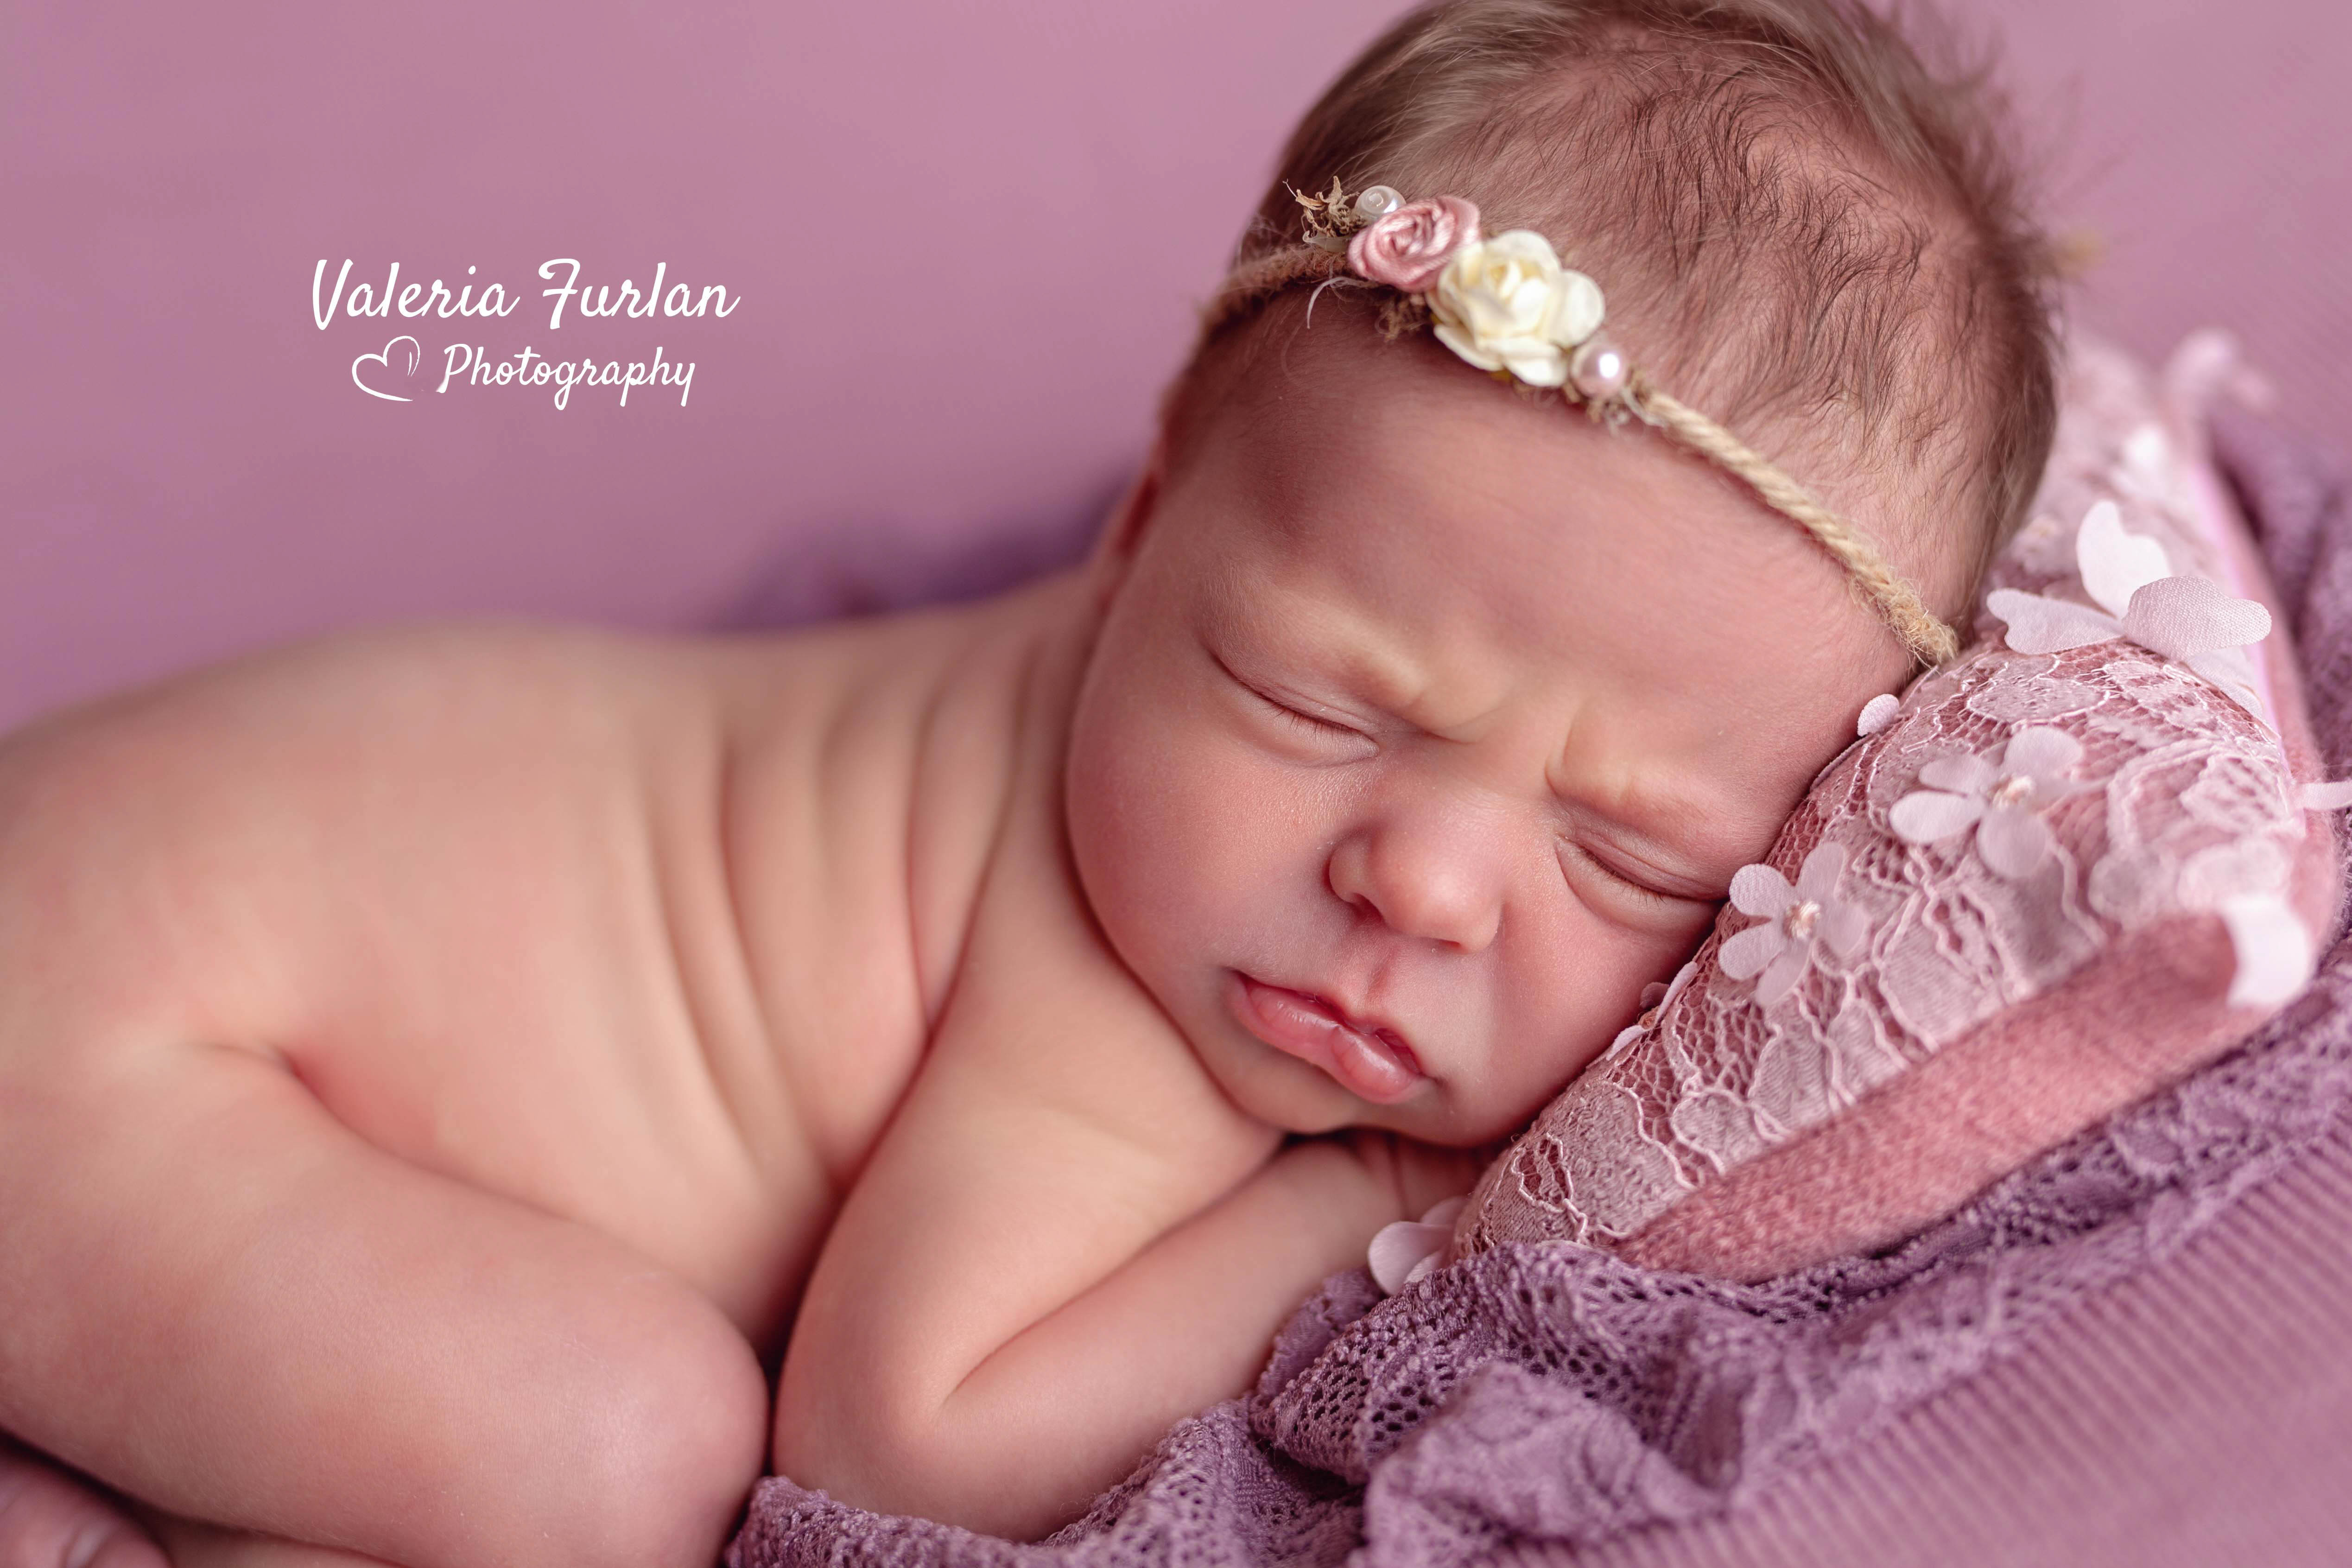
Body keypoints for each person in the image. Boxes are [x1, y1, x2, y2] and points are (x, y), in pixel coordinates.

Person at [0, 1, 2060, 1563]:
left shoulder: (1203, 741)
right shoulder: (1122, 978)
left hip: (145, 905)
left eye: (1629, 854)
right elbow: (900, 1441)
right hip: (107, 1031)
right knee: (617, 1456)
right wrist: (1376, 1201)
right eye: (1317, 702)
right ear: (1142, 526)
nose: (1422, 883)